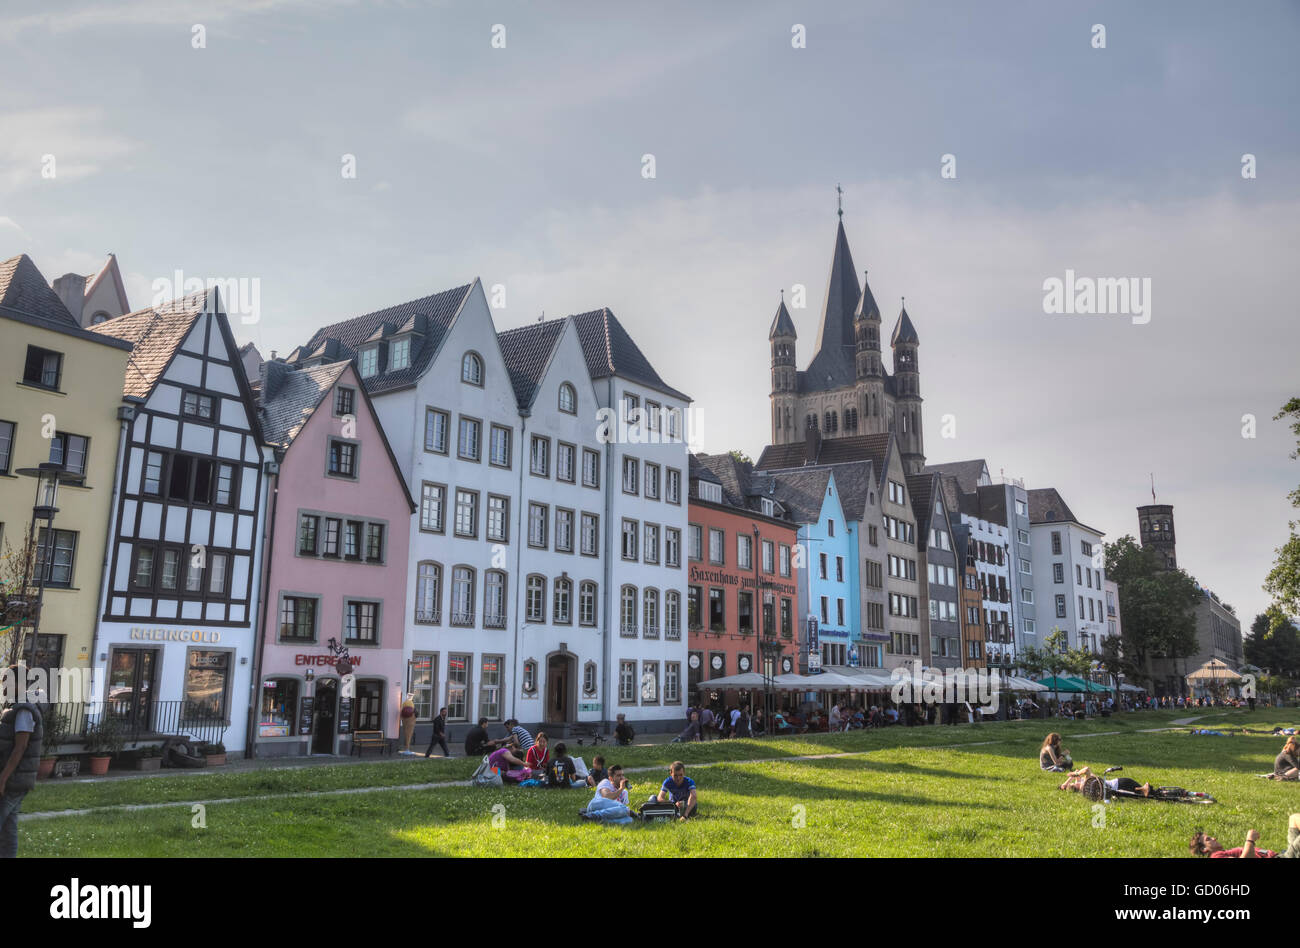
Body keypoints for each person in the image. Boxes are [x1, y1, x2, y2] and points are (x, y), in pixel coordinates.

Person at [0, 675, 43, 859]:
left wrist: (2, 779)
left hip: (13, 780)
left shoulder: (24, 711)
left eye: (6, 684)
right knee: (9, 829)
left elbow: (20, 747)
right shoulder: (16, 708)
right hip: (16, 778)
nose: (3, 689)